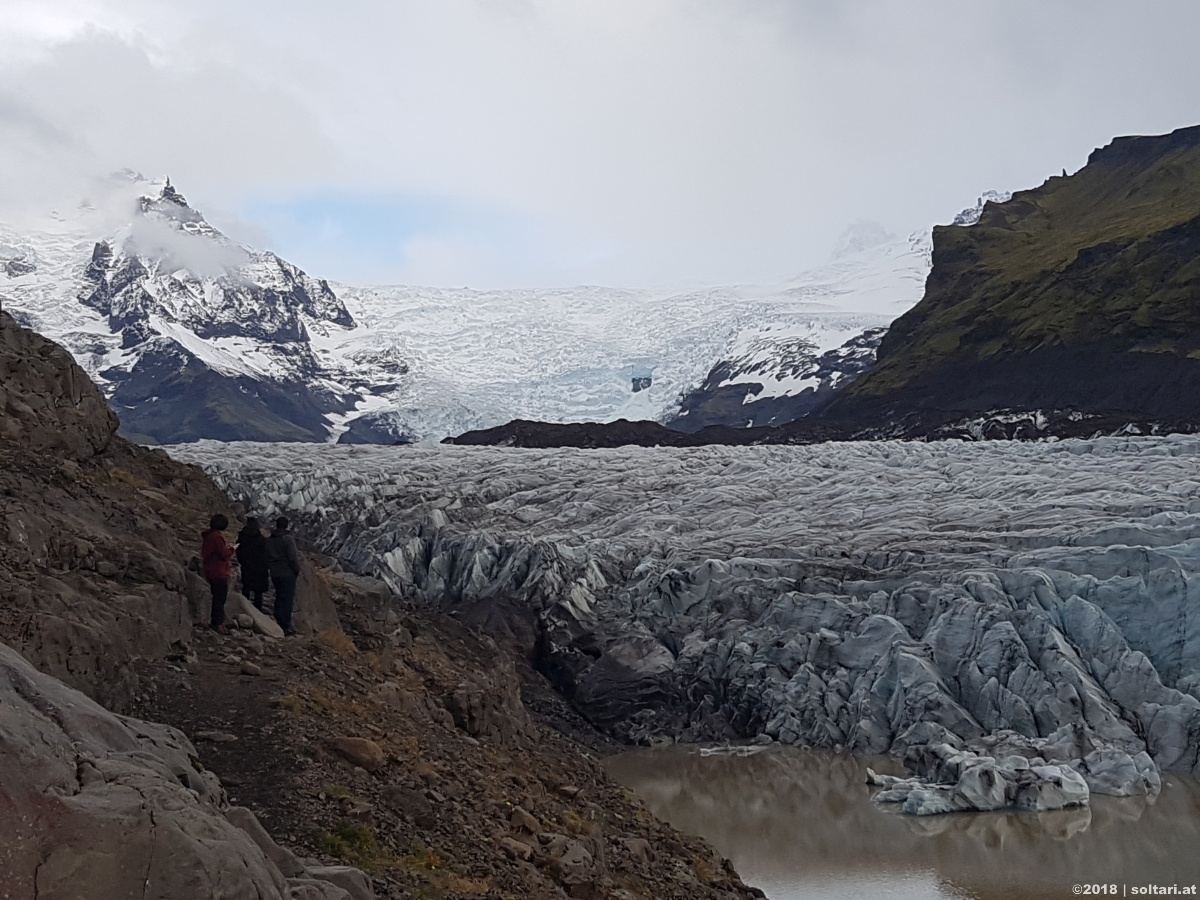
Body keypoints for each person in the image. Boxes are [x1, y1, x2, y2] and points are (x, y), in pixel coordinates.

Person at [265, 516, 301, 635]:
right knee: (287, 599)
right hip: (287, 573)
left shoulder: (270, 539)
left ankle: (278, 618)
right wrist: (297, 570)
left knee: (279, 596)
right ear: (286, 525)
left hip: (275, 573)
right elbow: (292, 557)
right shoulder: (288, 539)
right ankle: (285, 624)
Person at [201, 514, 236, 634]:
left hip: (211, 570)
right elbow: (223, 554)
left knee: (217, 597)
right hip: (219, 572)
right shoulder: (217, 537)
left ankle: (217, 621)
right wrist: (232, 549)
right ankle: (218, 623)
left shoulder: (209, 536)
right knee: (220, 598)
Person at [236, 517, 270, 611]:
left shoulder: (242, 538)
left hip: (246, 566)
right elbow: (266, 554)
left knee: (246, 587)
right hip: (260, 568)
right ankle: (257, 611)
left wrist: (242, 561)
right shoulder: (261, 540)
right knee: (258, 592)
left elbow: (238, 551)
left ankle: (243, 608)